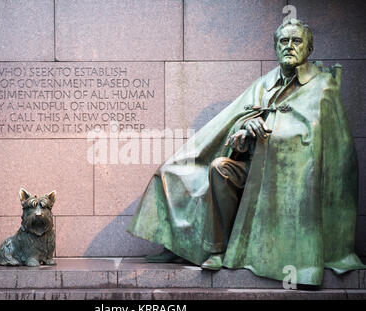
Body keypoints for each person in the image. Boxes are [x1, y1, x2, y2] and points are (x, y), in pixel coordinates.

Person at [127, 19, 365, 286]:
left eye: (296, 41)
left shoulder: (323, 86)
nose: (289, 46)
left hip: (287, 177)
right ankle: (207, 247)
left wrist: (274, 132)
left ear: (309, 47)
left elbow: (324, 141)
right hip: (251, 167)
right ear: (275, 47)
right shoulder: (264, 84)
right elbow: (235, 122)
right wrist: (243, 130)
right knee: (210, 167)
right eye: (283, 41)